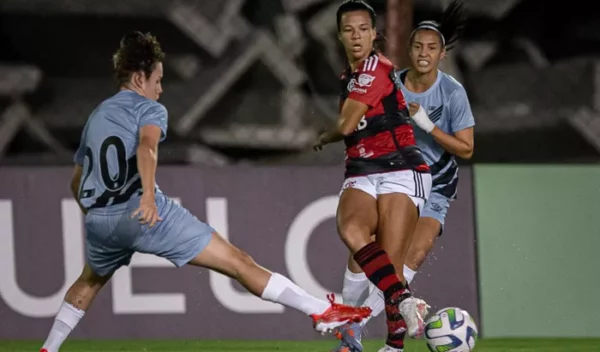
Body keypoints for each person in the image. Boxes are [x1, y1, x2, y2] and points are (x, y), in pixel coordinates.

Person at [38, 31, 372, 352]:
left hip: (99, 220)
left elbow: (76, 180)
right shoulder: (149, 109)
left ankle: (49, 348)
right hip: (142, 213)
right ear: (140, 79)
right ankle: (320, 310)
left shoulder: (97, 116)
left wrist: (97, 217)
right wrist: (148, 197)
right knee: (238, 262)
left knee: (89, 282)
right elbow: (147, 147)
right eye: (157, 80)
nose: (161, 88)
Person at [332, 1, 475, 351]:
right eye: (417, 46)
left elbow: (467, 149)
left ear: (442, 55)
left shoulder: (453, 93)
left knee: (412, 256)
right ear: (408, 51)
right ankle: (367, 325)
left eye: (431, 48)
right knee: (366, 247)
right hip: (391, 175)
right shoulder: (388, 81)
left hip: (436, 185)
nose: (424, 53)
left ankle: (363, 329)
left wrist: (427, 124)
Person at [313, 1, 432, 351]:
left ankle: (392, 345)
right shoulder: (347, 77)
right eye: (349, 30)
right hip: (363, 170)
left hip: (401, 169)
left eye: (363, 28)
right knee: (351, 229)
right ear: (339, 34)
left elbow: (347, 125)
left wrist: (323, 135)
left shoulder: (376, 68)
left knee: (389, 266)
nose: (356, 36)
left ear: (374, 33)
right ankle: (399, 304)